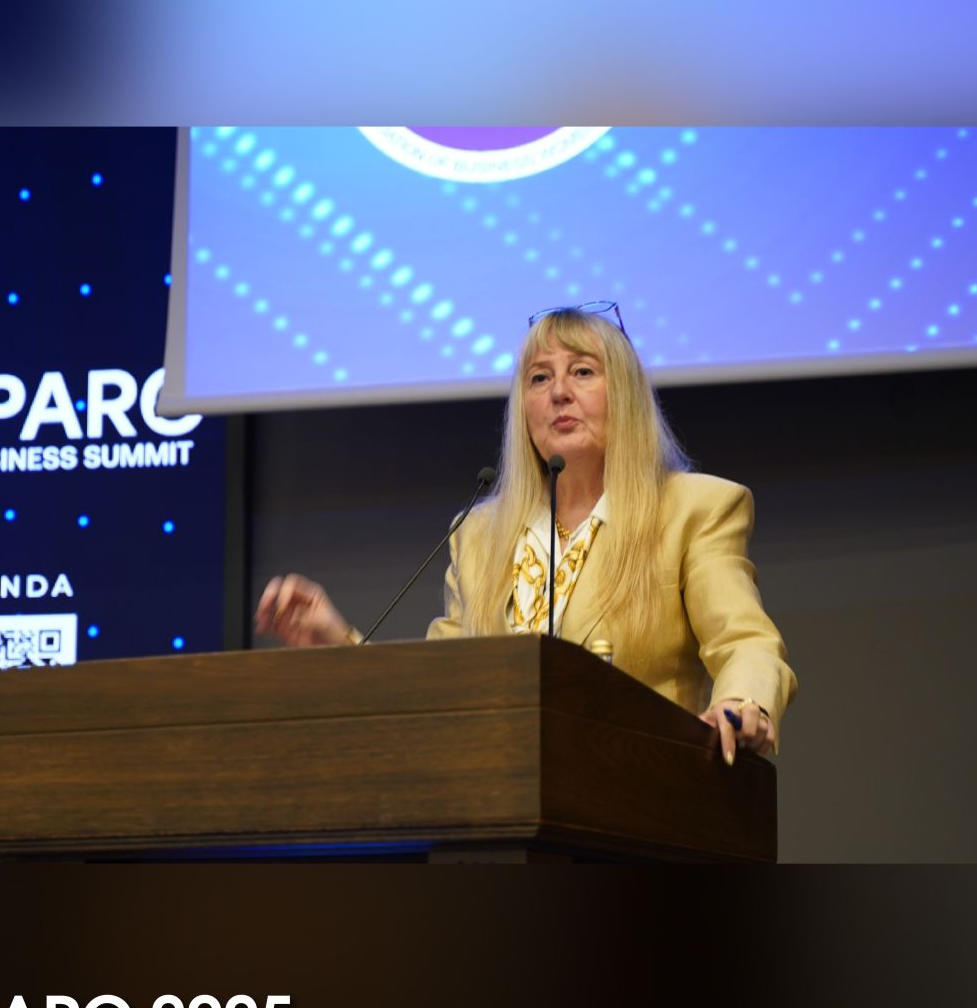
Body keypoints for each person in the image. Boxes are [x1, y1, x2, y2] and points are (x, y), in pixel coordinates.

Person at [254, 304, 795, 761]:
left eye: (582, 372)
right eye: (539, 378)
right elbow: (439, 686)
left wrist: (743, 704)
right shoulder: (481, 535)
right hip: (497, 799)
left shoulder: (693, 509)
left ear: (625, 395)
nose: (559, 392)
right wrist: (339, 643)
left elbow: (745, 642)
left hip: (639, 790)